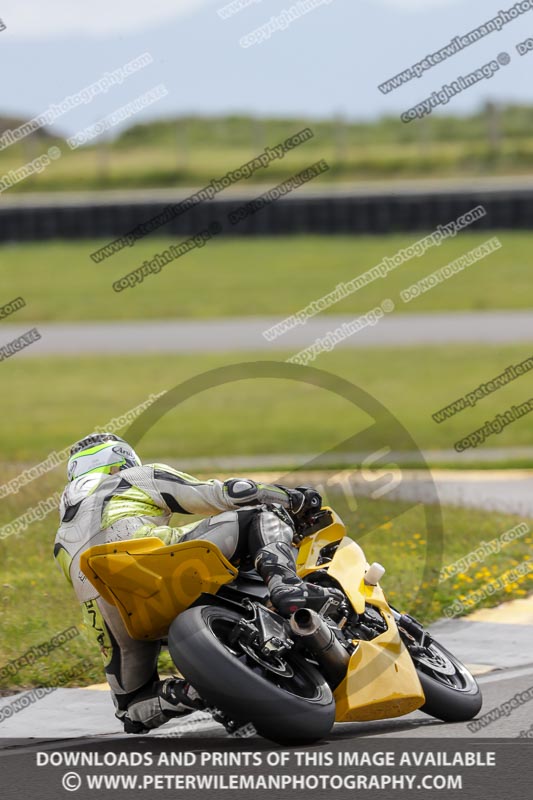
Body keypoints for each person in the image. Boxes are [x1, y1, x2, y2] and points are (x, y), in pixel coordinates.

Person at [54, 432, 337, 734]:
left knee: (133, 709)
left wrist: (110, 642)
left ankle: (191, 694)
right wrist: (291, 498)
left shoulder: (60, 541)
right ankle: (285, 584)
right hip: (157, 558)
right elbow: (228, 493)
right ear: (118, 462)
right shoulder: (133, 477)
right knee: (263, 514)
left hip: (113, 606)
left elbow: (88, 597)